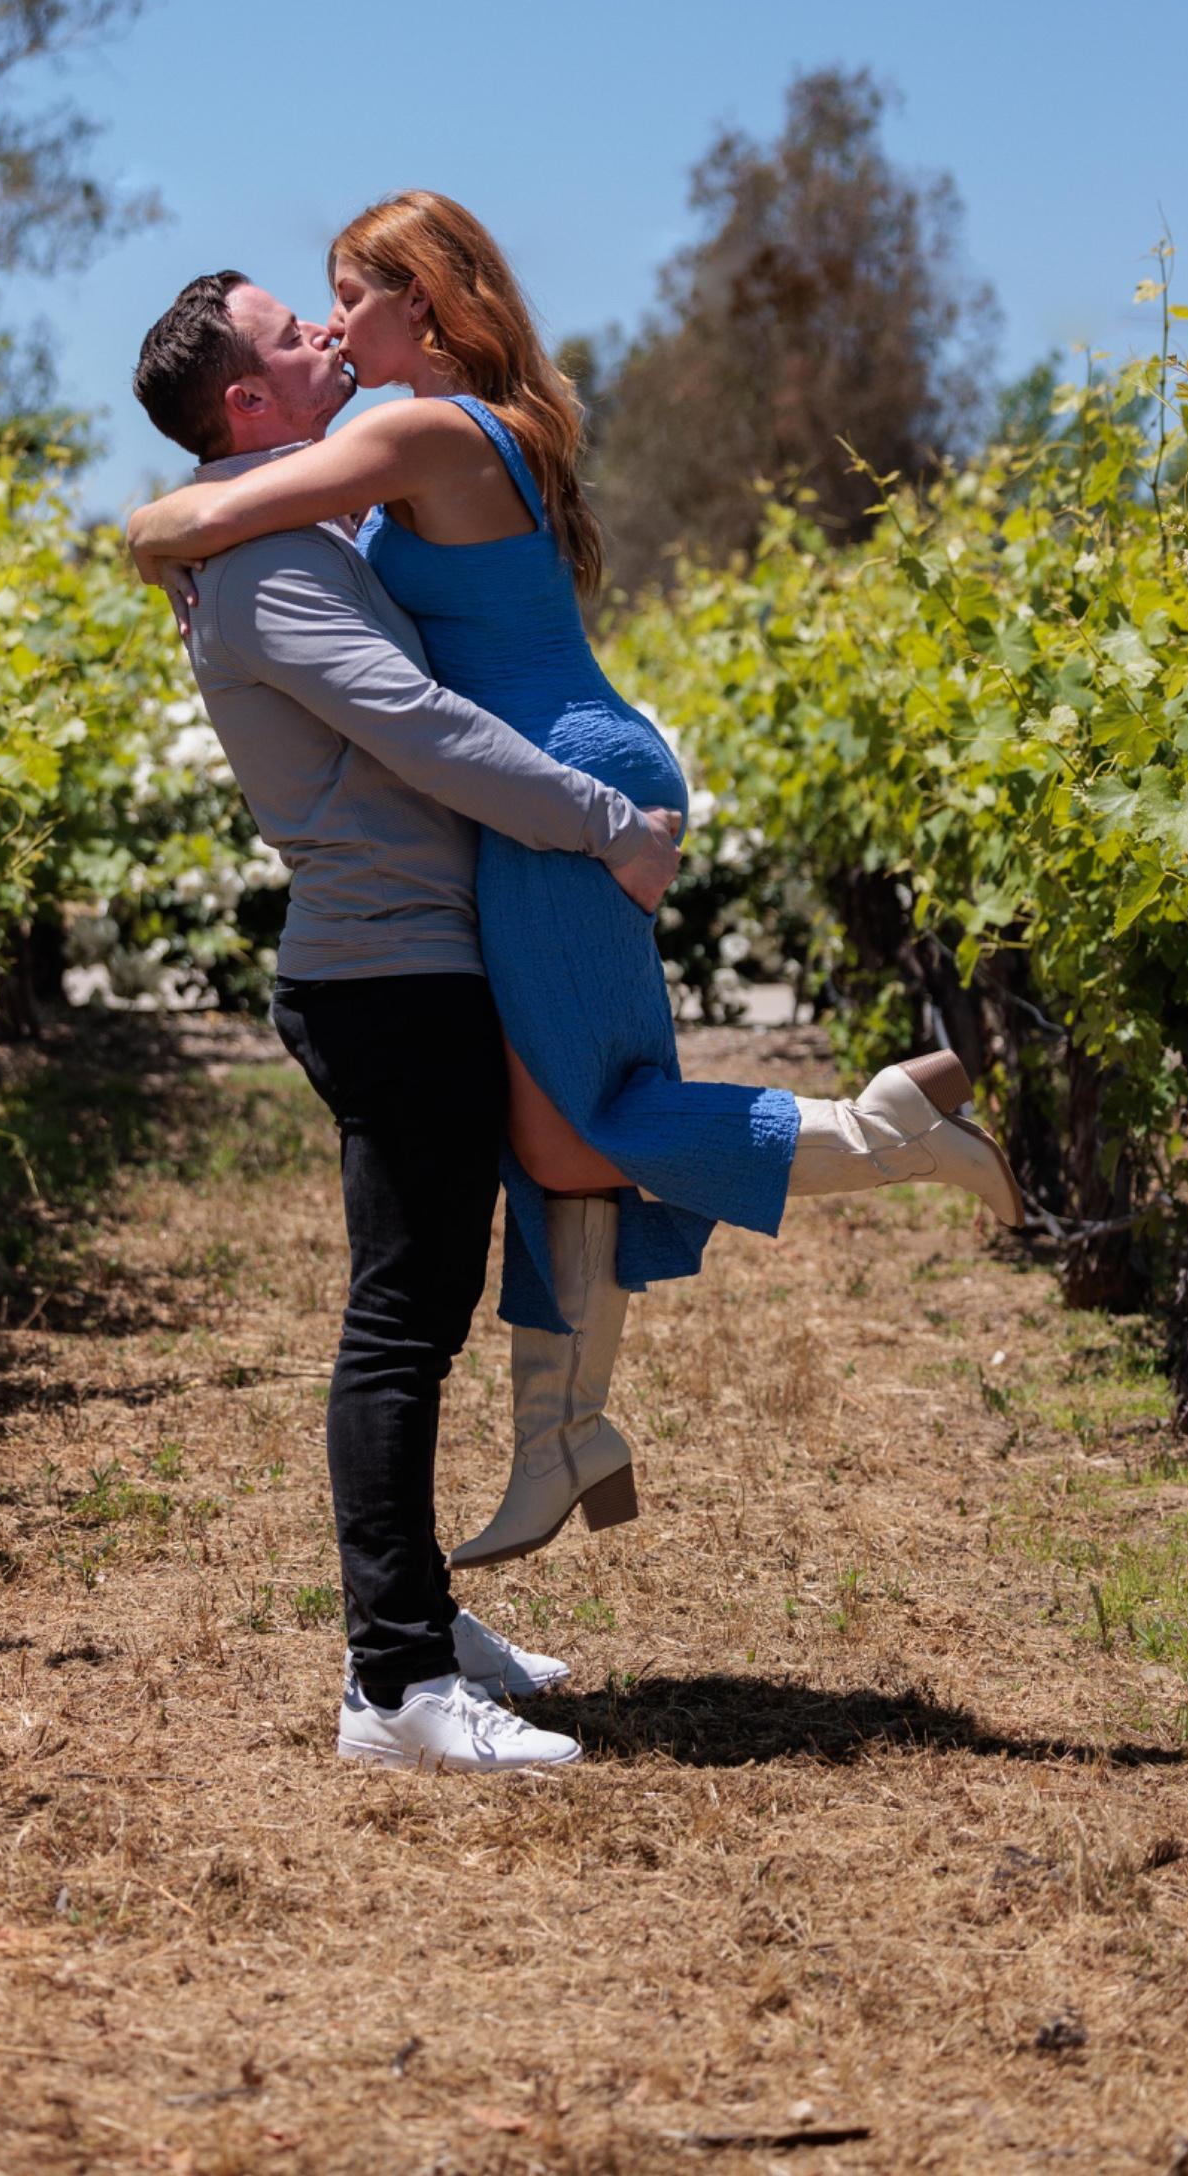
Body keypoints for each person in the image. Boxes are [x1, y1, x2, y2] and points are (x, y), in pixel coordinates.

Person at [128, 197, 1022, 1576]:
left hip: (547, 783)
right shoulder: (457, 425)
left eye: (349, 298)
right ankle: (563, 1437)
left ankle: (881, 1134)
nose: (334, 326)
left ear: (421, 305)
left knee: (569, 1136)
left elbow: (213, 506)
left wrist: (153, 536)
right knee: (554, 1135)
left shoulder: (411, 428)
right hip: (539, 771)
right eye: (317, 308)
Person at [131, 269, 686, 1774]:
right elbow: (421, 729)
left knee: (419, 1313)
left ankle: (423, 1629)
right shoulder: (270, 569)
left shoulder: (276, 529)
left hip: (409, 960)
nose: (324, 336)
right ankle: (392, 1689)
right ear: (248, 403)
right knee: (399, 1327)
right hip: (384, 975)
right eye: (290, 332)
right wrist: (601, 824)